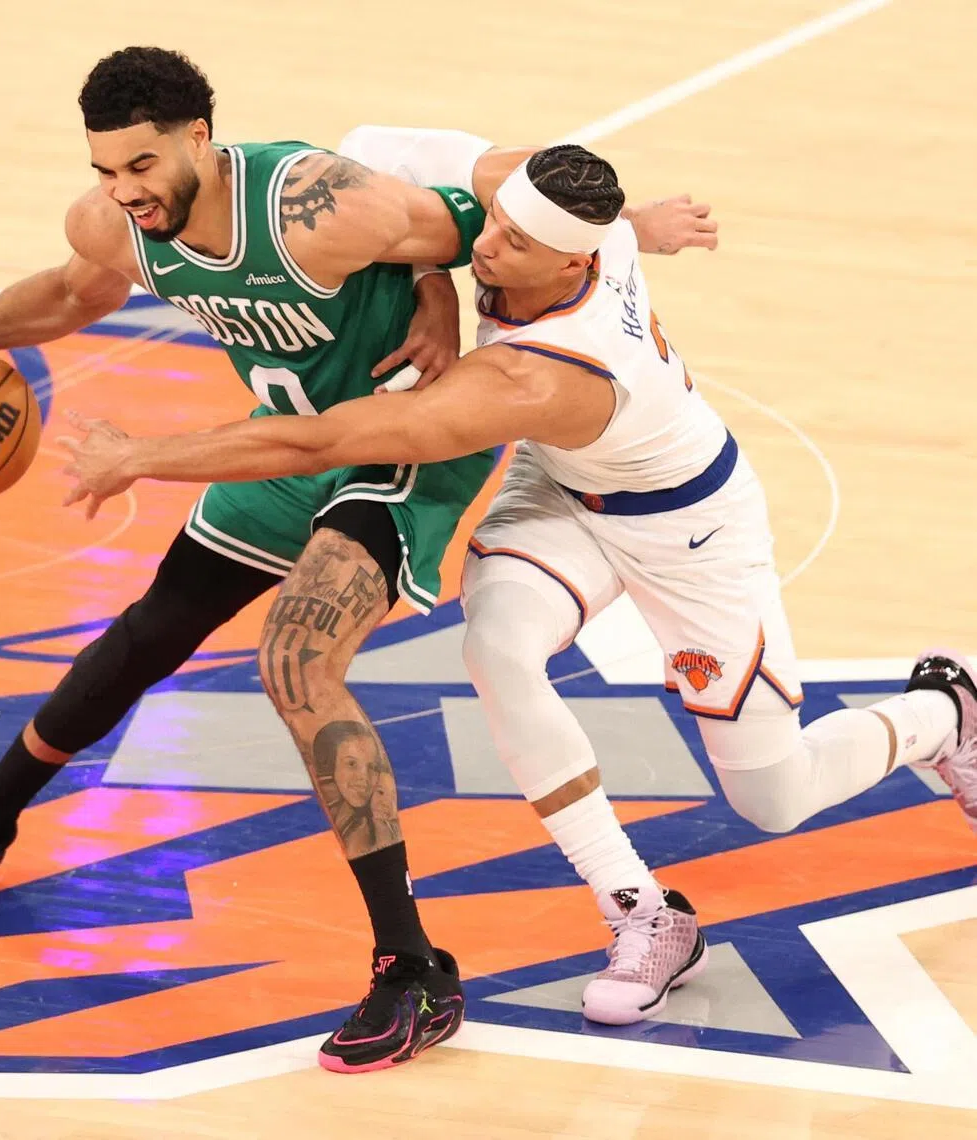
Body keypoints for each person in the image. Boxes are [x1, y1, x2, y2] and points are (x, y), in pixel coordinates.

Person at [0, 47, 713, 1069]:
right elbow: (72, 292)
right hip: (290, 439)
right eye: (105, 171)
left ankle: (414, 968)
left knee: (298, 660)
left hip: (399, 444)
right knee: (147, 634)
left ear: (200, 142)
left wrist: (547, 253)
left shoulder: (314, 205)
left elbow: (481, 222)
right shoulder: (121, 222)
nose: (124, 192)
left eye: (142, 166)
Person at [56, 141, 977, 1031]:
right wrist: (440, 281)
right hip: (562, 491)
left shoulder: (538, 376)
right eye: (494, 221)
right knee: (496, 646)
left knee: (775, 799)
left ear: (575, 255)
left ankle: (947, 714)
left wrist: (142, 456)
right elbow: (394, 163)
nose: (485, 246)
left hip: (690, 527)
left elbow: (324, 441)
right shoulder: (563, 217)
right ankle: (644, 913)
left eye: (513, 244)